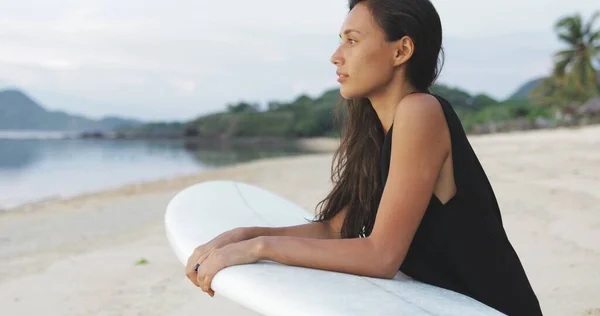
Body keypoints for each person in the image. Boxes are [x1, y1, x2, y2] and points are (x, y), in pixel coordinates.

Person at [185, 0, 543, 314]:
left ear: (401, 51)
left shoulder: (421, 111)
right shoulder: (378, 129)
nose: (336, 56)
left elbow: (382, 256)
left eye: (352, 40)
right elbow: (336, 229)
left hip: (488, 308)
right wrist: (244, 235)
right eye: (341, 40)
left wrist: (262, 249)